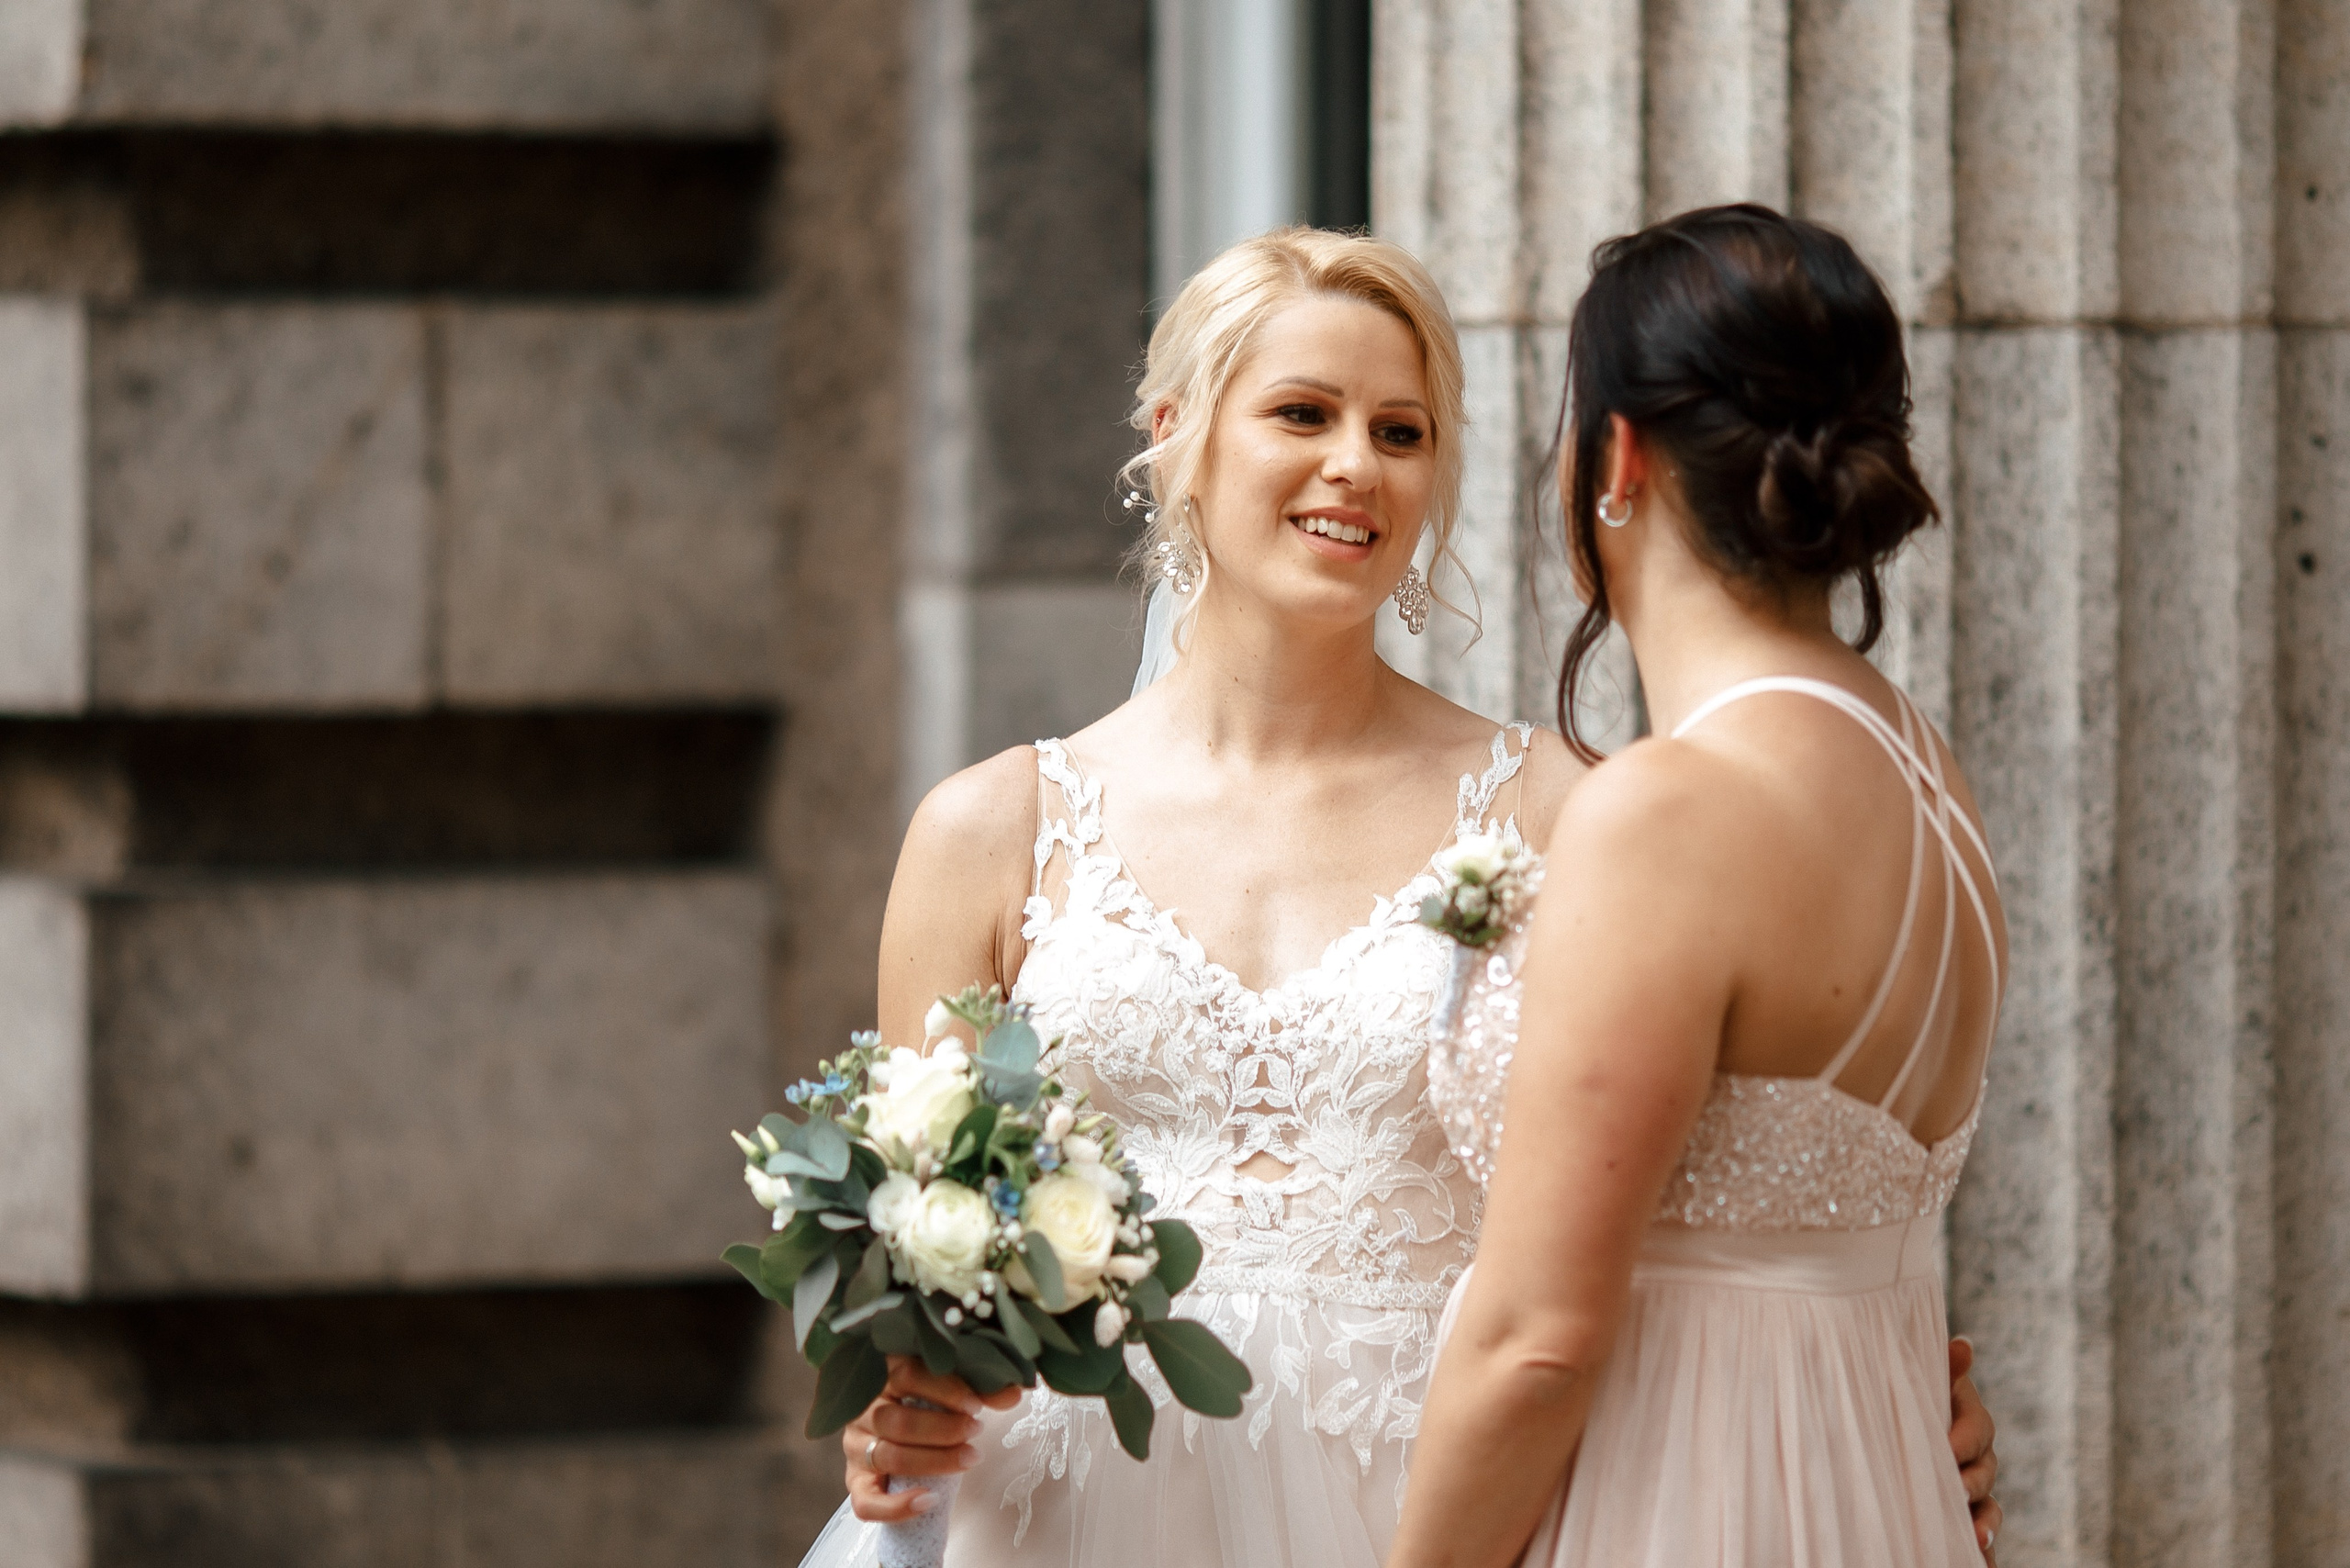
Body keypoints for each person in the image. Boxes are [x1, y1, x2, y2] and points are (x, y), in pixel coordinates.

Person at [798, 226, 1998, 1568]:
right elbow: (910, 1284)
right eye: (1303, 414)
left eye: (1403, 431)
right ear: (1177, 432)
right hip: (1062, 1522)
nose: (1355, 464)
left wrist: (1865, 1389)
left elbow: (1678, 1199)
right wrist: (894, 1414)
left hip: (1424, 1511)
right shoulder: (988, 831)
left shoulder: (1565, 808)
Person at [1390, 204, 2007, 1568]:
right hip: (1865, 1494)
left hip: (1677, 1504)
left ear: (1616, 456)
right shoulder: (1928, 782)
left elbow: (1539, 1341)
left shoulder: (1672, 809)